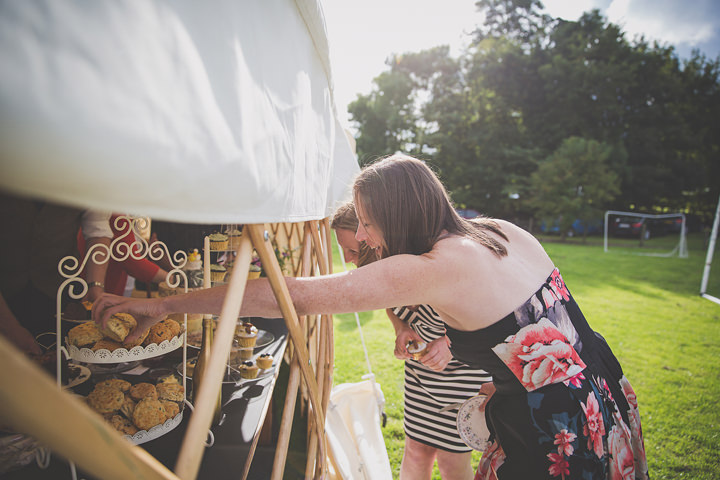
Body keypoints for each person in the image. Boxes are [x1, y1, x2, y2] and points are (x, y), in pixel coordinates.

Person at [94, 154, 649, 479]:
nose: (360, 236)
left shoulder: (429, 267)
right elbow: (524, 324)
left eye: (364, 220)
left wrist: (163, 304)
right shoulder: (504, 231)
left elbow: (289, 295)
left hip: (553, 426)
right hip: (604, 392)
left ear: (397, 212)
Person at [331, 202, 491, 480]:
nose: (346, 259)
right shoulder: (385, 270)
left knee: (452, 462)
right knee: (416, 452)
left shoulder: (432, 261)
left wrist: (448, 343)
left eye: (352, 250)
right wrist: (401, 327)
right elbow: (390, 303)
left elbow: (485, 313)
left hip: (462, 375)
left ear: (371, 240)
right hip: (420, 377)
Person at [0, 193, 112, 354]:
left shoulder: (87, 173)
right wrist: (7, 325)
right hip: (6, 294)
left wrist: (95, 286)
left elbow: (98, 228)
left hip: (61, 294)